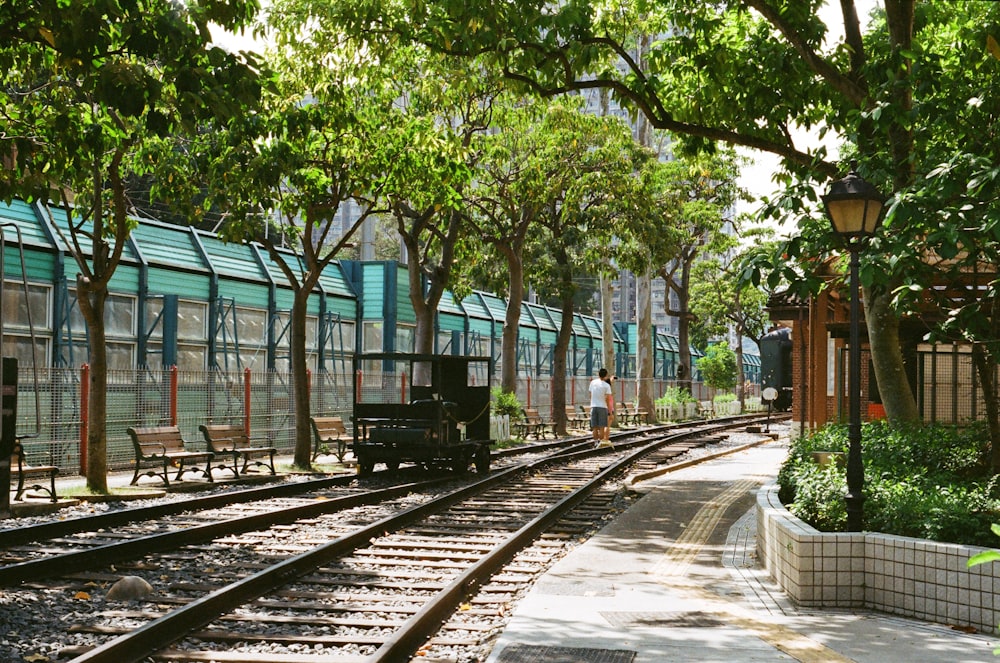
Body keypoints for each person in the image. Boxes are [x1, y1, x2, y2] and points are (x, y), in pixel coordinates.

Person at [589, 368, 614, 445]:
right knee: (602, 427)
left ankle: (595, 442)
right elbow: (608, 399)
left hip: (593, 406)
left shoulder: (593, 382)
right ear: (606, 375)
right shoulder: (607, 386)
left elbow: (590, 394)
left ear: (598, 374)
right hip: (602, 407)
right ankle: (600, 442)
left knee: (595, 427)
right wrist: (610, 411)